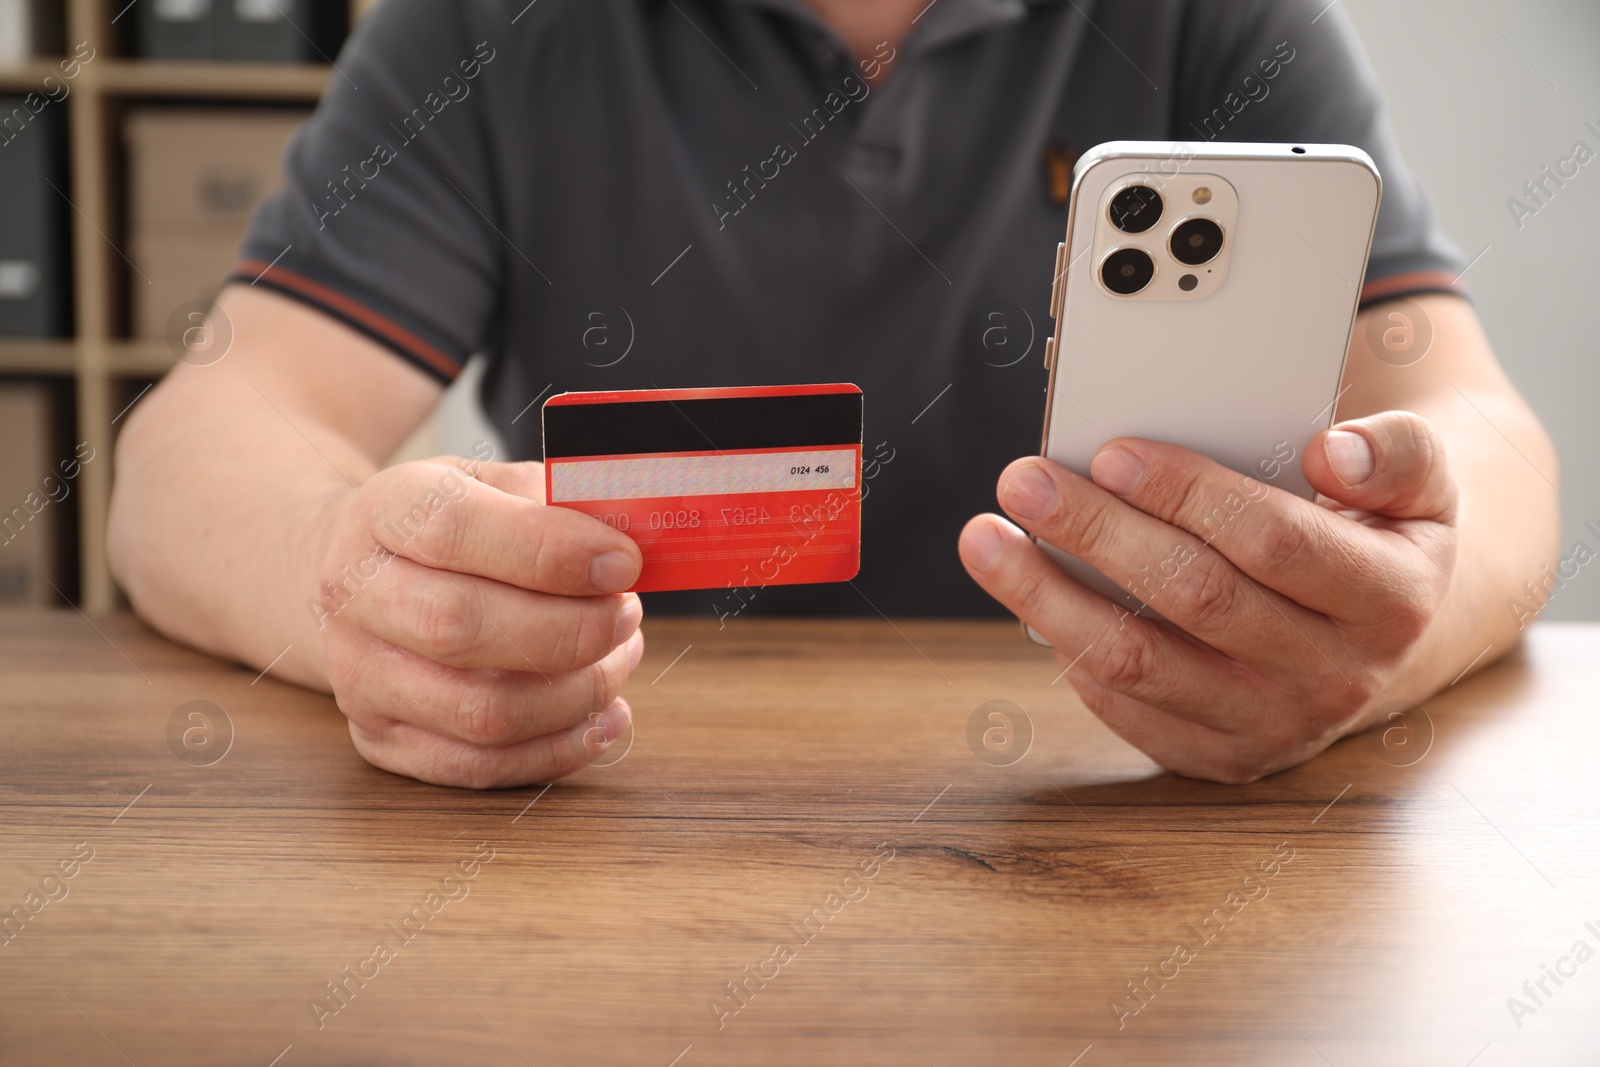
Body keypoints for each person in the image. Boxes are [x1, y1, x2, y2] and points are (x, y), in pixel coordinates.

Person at [108, 0, 1559, 788]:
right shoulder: (473, 27)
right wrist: (352, 584)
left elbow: (1486, 447)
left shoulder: (1218, 18)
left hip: (1113, 807)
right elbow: (189, 456)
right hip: (614, 800)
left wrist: (1394, 621)